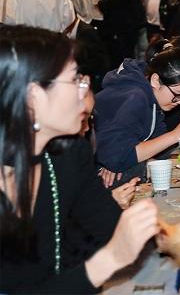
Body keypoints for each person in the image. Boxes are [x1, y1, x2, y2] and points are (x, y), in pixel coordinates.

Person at [0, 25, 158, 293]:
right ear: (33, 97)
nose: (85, 91)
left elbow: (109, 228)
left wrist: (175, 239)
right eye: (75, 80)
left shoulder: (68, 155)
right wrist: (110, 259)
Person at [94, 42, 180, 186]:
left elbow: (157, 144)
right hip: (93, 173)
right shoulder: (134, 97)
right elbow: (115, 158)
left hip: (111, 161)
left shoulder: (151, 96)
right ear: (156, 81)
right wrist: (176, 135)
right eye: (177, 94)